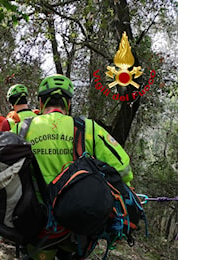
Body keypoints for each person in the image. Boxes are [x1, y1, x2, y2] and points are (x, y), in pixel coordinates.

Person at [12, 74, 134, 259]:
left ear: (41, 102)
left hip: (35, 224)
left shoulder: (21, 129)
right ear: (68, 104)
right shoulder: (88, 128)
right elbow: (123, 167)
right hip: (76, 226)